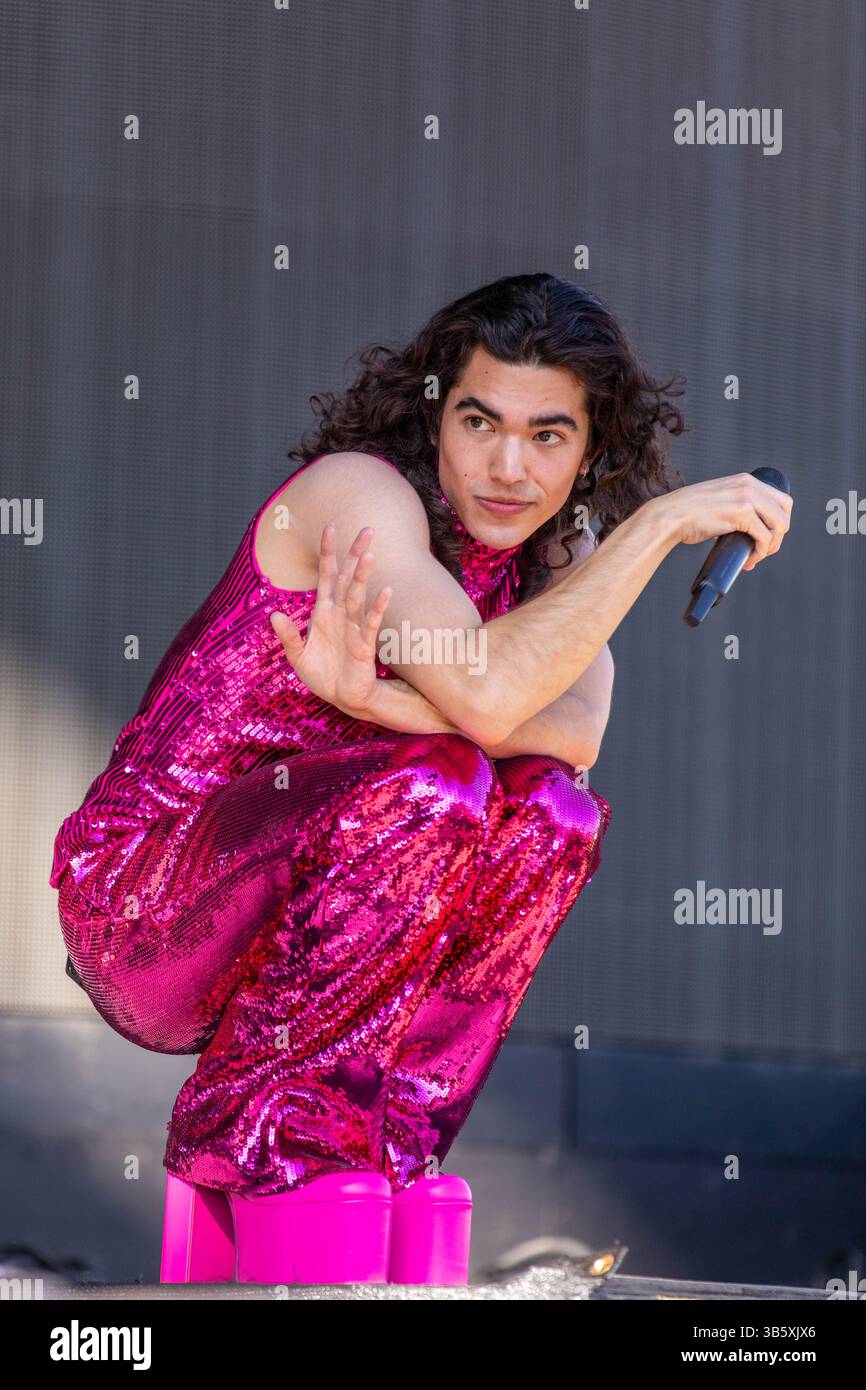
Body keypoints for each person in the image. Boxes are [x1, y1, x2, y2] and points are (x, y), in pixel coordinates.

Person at [50, 272, 792, 1281]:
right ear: (431, 412)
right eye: (479, 420)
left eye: (547, 437)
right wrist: (655, 528)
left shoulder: (551, 553)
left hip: (317, 919)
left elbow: (571, 736)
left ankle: (386, 1139)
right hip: (145, 901)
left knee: (550, 816)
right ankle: (276, 1139)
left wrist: (385, 705)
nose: (505, 465)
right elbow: (492, 704)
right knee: (437, 783)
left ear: (589, 455)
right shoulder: (363, 496)